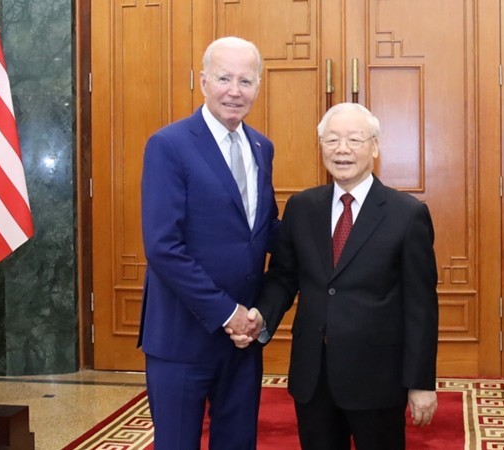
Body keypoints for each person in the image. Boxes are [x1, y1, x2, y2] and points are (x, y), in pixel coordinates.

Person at [231, 102, 439, 450]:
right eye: (332, 140)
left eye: (354, 140)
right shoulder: (302, 207)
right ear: (321, 147)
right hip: (313, 375)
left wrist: (420, 382)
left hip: (378, 378)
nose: (342, 150)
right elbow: (284, 276)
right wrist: (260, 317)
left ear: (374, 147)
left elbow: (421, 307)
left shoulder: (407, 215)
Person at [138, 36, 279, 449]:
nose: (235, 91)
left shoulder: (261, 148)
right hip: (182, 336)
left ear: (258, 86)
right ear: (202, 81)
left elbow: (264, 227)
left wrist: (327, 236)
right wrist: (226, 312)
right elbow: (163, 246)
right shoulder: (169, 145)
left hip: (242, 340)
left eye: (246, 81)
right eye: (224, 78)